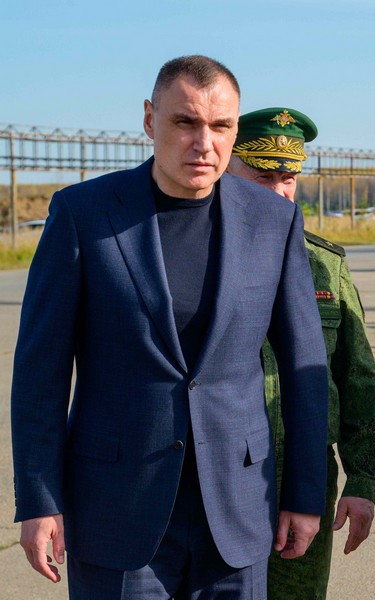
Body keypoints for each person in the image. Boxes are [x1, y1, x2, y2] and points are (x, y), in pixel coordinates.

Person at [10, 56, 329, 598]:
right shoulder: (84, 214)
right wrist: (40, 499)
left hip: (237, 510)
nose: (204, 143)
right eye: (185, 122)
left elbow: (305, 369)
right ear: (149, 119)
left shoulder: (274, 220)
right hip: (117, 511)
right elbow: (40, 373)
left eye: (220, 126)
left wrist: (304, 494)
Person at [227, 106, 375, 599]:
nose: (279, 192)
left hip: (306, 477)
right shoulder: (199, 259)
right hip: (222, 481)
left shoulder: (325, 267)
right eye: (263, 176)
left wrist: (362, 480)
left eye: (288, 178)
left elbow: (358, 380)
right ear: (226, 169)